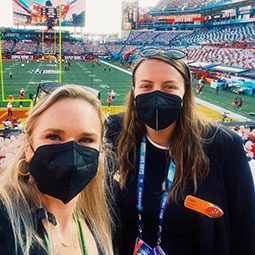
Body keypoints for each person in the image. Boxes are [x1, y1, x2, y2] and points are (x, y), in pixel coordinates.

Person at [105, 49, 255, 255]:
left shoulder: (223, 146)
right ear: (134, 90)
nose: (157, 94)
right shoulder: (116, 132)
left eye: (169, 87)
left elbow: (245, 228)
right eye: (146, 86)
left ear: (185, 92)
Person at [0, 85, 113, 255]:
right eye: (53, 136)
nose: (72, 152)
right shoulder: (5, 221)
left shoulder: (97, 222)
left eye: (86, 139)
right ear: (28, 147)